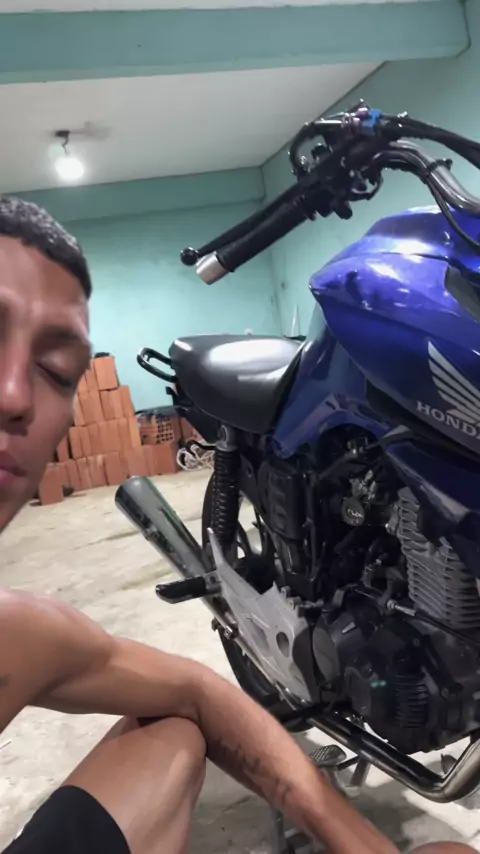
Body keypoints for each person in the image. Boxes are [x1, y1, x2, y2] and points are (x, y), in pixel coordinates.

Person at [0, 195, 474, 854]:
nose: (15, 395)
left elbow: (196, 695)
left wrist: (361, 842)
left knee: (170, 736)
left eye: (57, 372)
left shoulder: (24, 639)